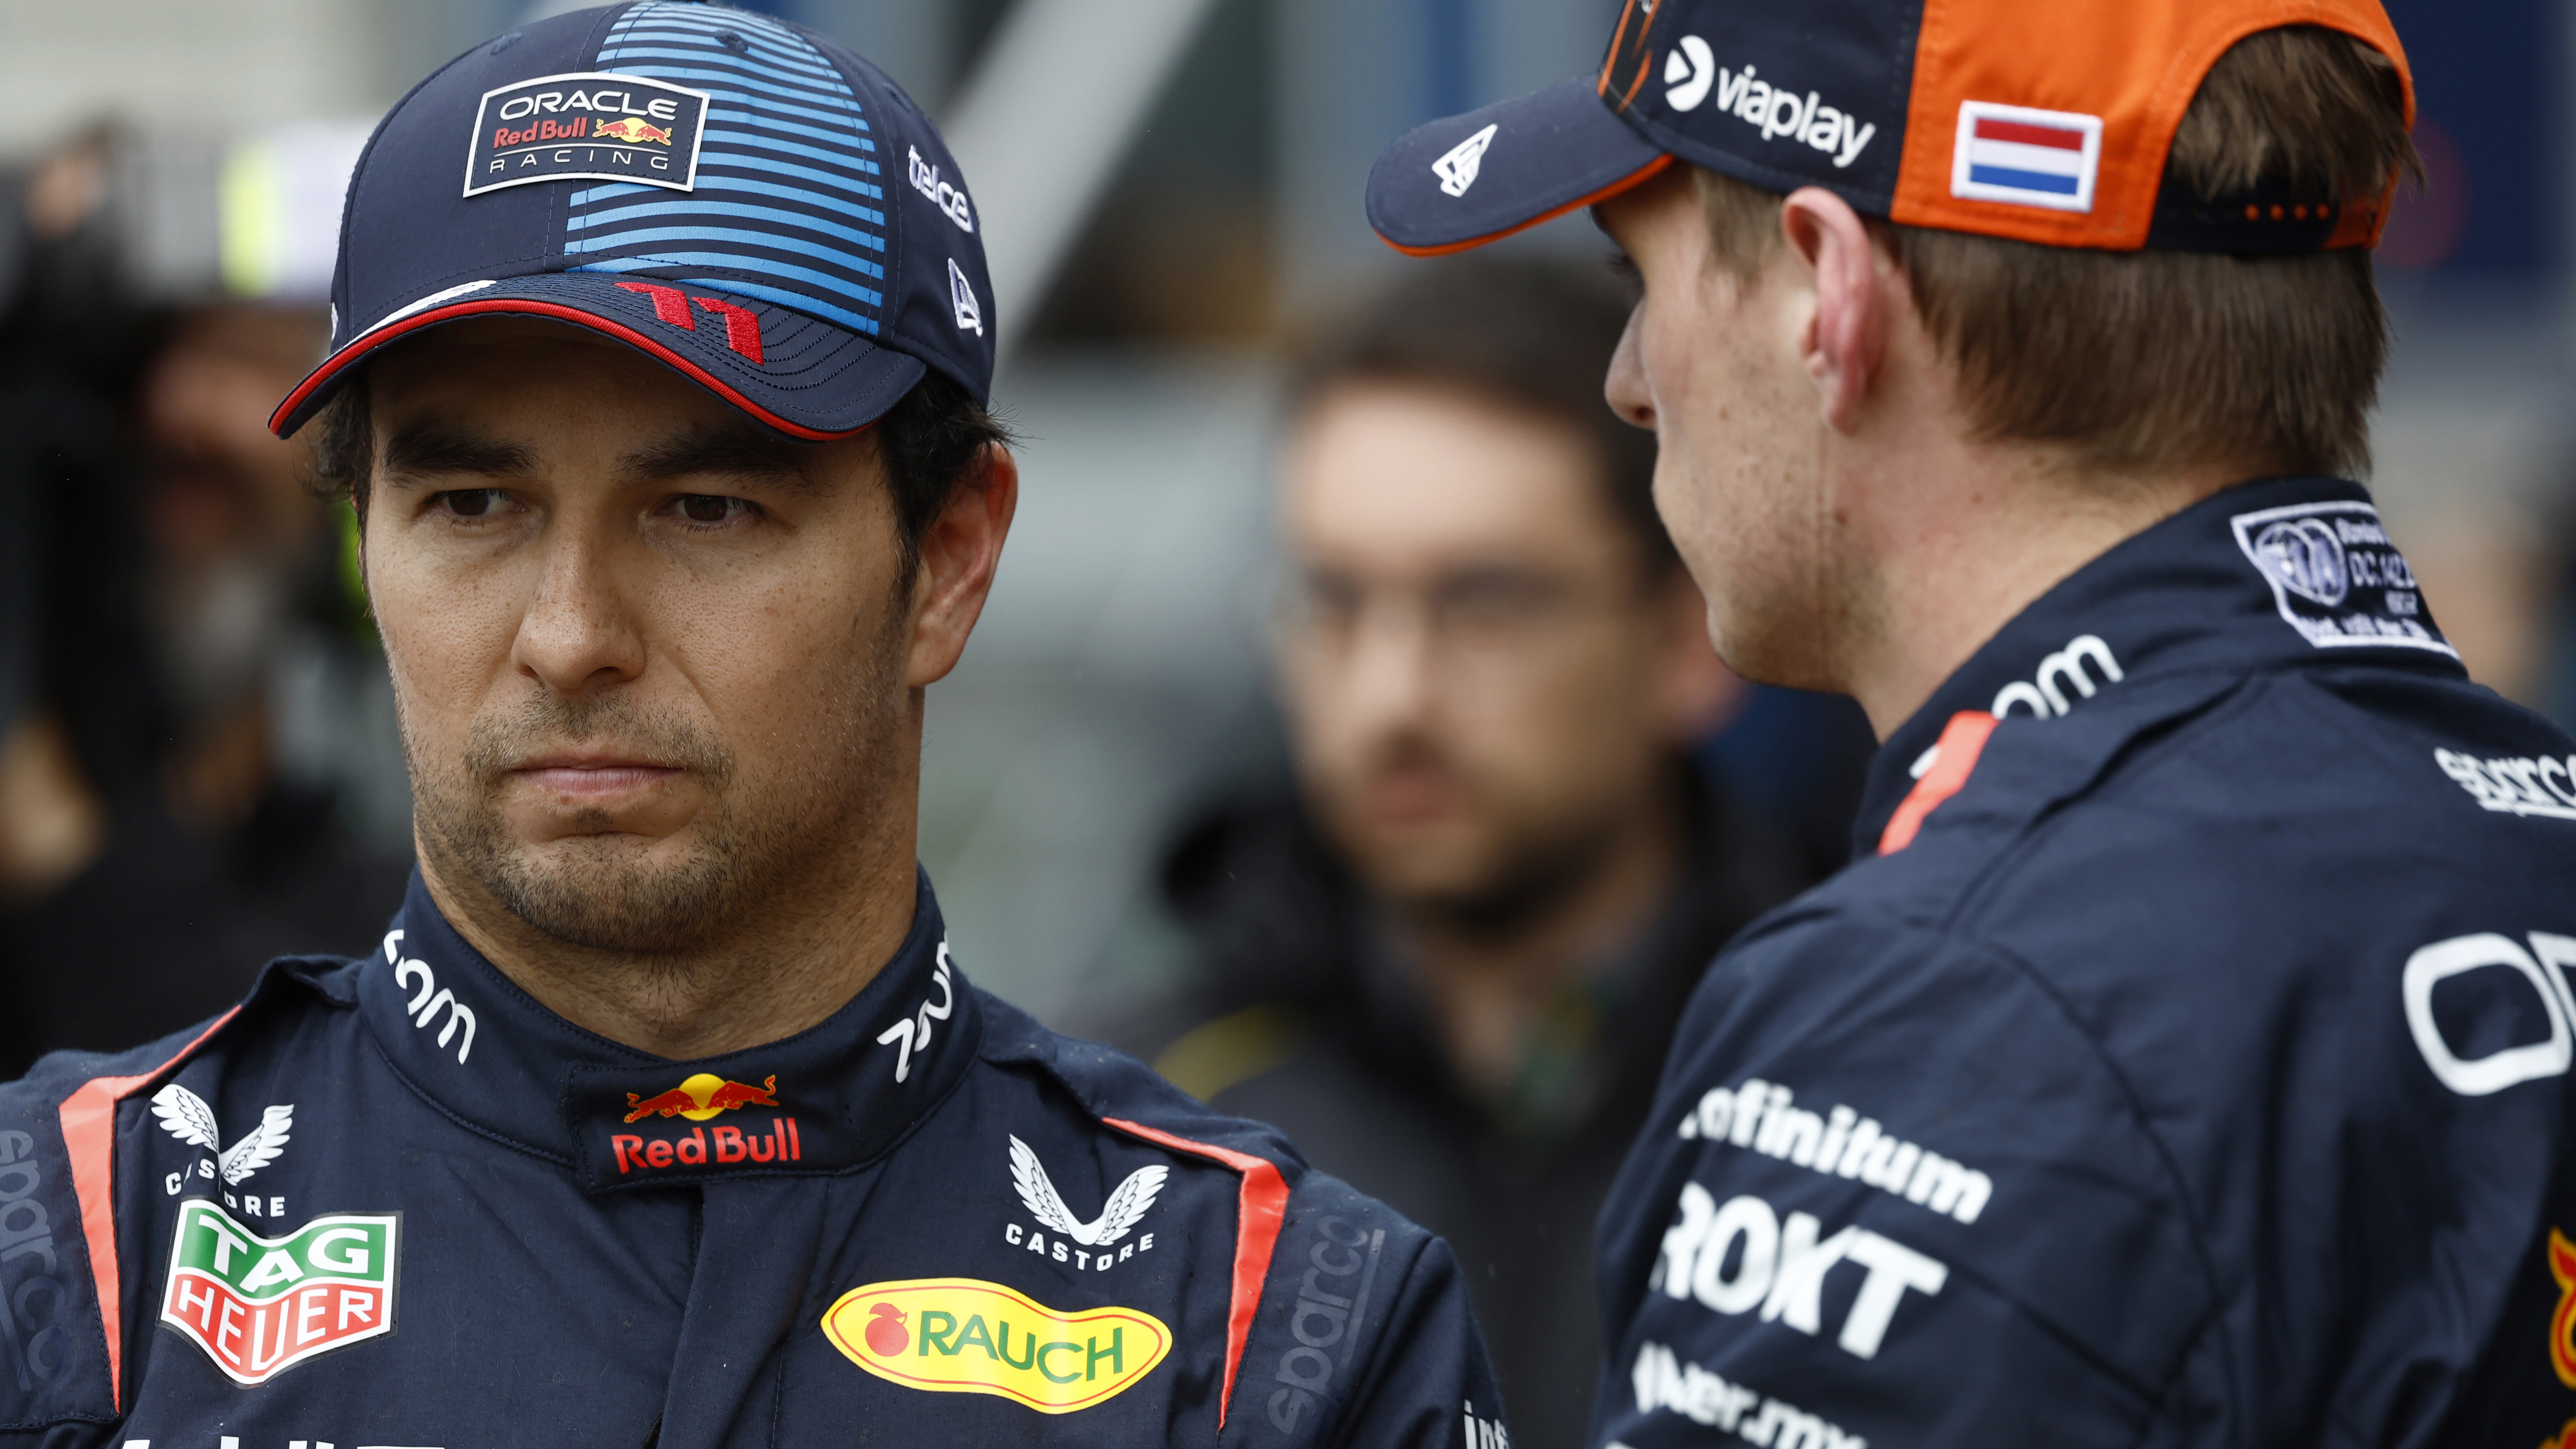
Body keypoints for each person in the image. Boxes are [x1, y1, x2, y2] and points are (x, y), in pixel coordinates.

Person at [0, 6, 1505, 1446]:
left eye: (705, 509)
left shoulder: (1278, 1332)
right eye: (472, 505)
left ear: (949, 560)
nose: (569, 636)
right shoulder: (69, 1248)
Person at [1364, 0, 2576, 1444]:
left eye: (1642, 275)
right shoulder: (2527, 828)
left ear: (1829, 298)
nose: (1628, 381)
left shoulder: (1950, 1011)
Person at [1105, 254, 1803, 1449]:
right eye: (1334, 601)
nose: (1393, 696)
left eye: (1485, 603)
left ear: (1687, 639)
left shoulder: (1845, 1078)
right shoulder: (1134, 1119)